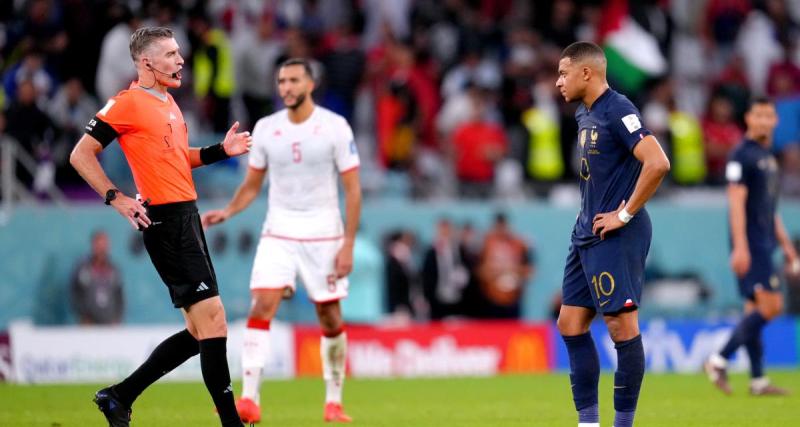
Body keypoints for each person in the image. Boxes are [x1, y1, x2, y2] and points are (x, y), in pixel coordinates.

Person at [69, 27, 252, 427]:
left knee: (199, 329)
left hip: (187, 217)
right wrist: (116, 197)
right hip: (166, 222)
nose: (181, 60)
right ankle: (231, 423)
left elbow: (177, 158)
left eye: (178, 52)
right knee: (215, 322)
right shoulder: (127, 103)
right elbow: (81, 155)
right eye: (171, 54)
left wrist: (223, 150)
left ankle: (118, 396)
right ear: (146, 62)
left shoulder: (167, 102)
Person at [202, 58, 361, 424]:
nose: (286, 87)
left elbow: (353, 191)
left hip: (324, 232)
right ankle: (249, 399)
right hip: (279, 230)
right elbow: (252, 185)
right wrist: (227, 211)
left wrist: (348, 243)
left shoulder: (335, 127)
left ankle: (333, 401)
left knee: (330, 315)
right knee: (262, 306)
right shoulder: (267, 128)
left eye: (293, 80)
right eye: (281, 81)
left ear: (311, 84)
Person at [555, 41, 670, 427]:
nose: (558, 82)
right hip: (586, 231)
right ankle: (589, 423)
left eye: (563, 72)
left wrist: (624, 213)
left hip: (615, 232)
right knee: (570, 323)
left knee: (621, 326)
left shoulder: (618, 108)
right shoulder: (584, 114)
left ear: (586, 73)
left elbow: (657, 162)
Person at [704, 97, 800, 396]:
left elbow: (770, 210)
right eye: (757, 115)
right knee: (773, 306)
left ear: (775, 121)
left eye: (768, 115)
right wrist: (741, 246)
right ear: (748, 119)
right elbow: (736, 202)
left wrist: (787, 246)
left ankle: (757, 380)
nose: (763, 120)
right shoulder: (741, 156)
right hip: (752, 244)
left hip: (765, 241)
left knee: (754, 310)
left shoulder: (767, 157)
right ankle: (718, 360)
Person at [475, 213, 534, 319]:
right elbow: (479, 271)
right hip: (490, 299)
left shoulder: (518, 244)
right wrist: (497, 271)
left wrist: (513, 270)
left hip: (513, 299)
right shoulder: (486, 243)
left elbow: (529, 271)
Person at [70, 230, 124, 325]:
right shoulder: (83, 270)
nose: (101, 249)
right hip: (88, 323)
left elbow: (120, 296)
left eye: (104, 245)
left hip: (110, 323)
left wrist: (117, 318)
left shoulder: (114, 271)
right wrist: (83, 316)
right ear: (93, 246)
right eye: (99, 245)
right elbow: (75, 294)